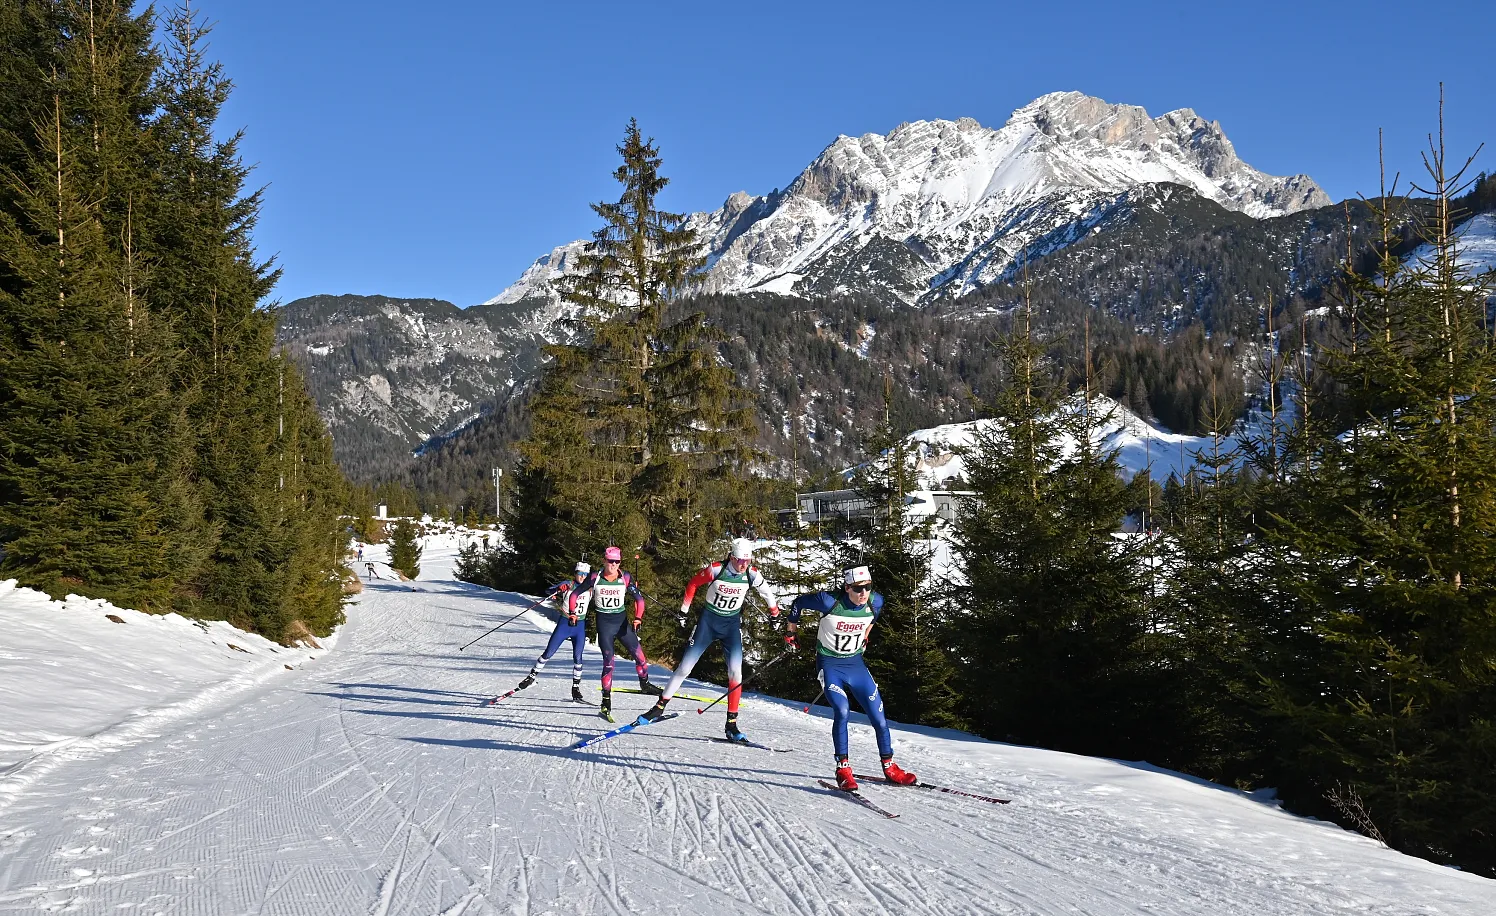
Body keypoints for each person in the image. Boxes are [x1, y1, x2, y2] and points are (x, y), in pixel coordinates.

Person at [786, 565, 917, 791]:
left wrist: (865, 636)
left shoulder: (875, 601)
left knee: (879, 716)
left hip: (856, 665)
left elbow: (873, 617)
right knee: (842, 710)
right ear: (847, 588)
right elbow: (798, 603)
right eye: (858, 589)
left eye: (867, 587)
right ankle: (843, 768)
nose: (863, 593)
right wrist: (791, 632)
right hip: (830, 665)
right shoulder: (828, 602)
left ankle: (889, 767)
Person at [637, 538, 779, 741]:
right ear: (732, 557)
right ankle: (658, 707)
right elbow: (693, 583)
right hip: (708, 623)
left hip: (730, 626)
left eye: (747, 560)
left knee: (735, 674)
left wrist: (774, 614)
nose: (743, 565)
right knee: (685, 668)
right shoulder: (716, 570)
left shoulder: (751, 574)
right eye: (740, 560)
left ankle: (732, 724)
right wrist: (683, 611)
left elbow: (767, 593)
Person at [569, 546, 661, 720]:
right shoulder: (595, 578)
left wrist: (638, 619)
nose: (613, 565)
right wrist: (573, 613)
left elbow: (639, 600)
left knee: (640, 656)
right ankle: (605, 702)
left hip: (622, 623)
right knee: (609, 663)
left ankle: (645, 684)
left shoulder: (625, 577)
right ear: (604, 560)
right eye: (610, 561)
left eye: (616, 561)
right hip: (604, 626)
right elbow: (574, 594)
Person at [513, 562, 593, 702]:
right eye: (580, 573)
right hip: (565, 622)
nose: (582, 577)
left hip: (579, 625)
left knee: (578, 657)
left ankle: (575, 688)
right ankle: (531, 677)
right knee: (549, 652)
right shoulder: (569, 584)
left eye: (585, 575)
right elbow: (549, 591)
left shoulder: (590, 588)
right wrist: (558, 589)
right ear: (575, 573)